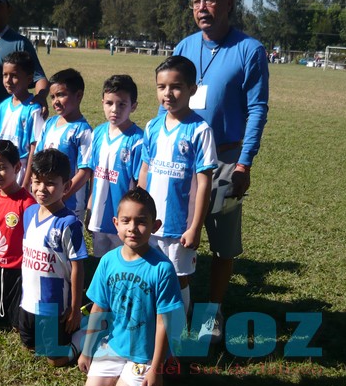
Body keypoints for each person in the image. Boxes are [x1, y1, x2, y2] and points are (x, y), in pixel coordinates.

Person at [170, 0, 269, 343]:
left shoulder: (249, 50)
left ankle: (212, 312)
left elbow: (257, 109)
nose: (202, 6)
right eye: (197, 0)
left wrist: (245, 162)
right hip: (185, 154)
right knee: (180, 231)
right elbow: (171, 98)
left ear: (229, 3)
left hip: (226, 157)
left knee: (222, 241)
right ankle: (177, 304)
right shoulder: (184, 46)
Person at [77, 188, 184, 386]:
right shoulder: (108, 261)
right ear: (116, 223)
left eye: (141, 221)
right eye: (126, 221)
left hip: (145, 353)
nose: (132, 228)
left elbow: (165, 321)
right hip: (116, 344)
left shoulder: (162, 269)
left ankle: (159, 374)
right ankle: (126, 375)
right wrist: (87, 350)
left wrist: (155, 368)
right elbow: (98, 308)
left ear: (155, 226)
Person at [139, 56, 218, 314]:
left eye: (176, 87)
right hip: (150, 222)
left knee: (178, 276)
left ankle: (178, 329)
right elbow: (145, 169)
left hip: (179, 224)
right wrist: (137, 211)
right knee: (148, 272)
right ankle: (151, 323)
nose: (168, 93)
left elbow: (204, 183)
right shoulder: (152, 126)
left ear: (192, 90)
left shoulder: (200, 130)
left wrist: (195, 227)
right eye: (161, 87)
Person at [19, 148, 88, 366]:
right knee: (29, 346)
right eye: (37, 181)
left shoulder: (68, 223)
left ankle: (85, 331)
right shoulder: (29, 213)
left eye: (50, 183)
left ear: (66, 186)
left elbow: (78, 267)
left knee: (54, 359)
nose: (41, 189)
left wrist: (74, 309)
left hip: (52, 304)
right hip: (28, 301)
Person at [0, 140, 37, 328]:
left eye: (2, 168)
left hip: (18, 271)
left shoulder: (27, 203)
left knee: (16, 323)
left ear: (17, 167)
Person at [87, 75, 144, 259]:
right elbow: (92, 173)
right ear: (102, 102)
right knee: (101, 260)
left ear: (133, 106)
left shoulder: (138, 140)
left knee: (123, 259)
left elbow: (139, 184)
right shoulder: (98, 133)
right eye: (109, 103)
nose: (114, 110)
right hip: (99, 214)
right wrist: (90, 205)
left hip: (124, 218)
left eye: (122, 104)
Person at [35, 68, 92, 221]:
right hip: (46, 198)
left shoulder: (83, 130)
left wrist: (61, 196)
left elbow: (84, 172)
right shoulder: (49, 123)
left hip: (70, 204)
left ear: (78, 95)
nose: (55, 101)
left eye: (61, 95)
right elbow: (37, 159)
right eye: (52, 97)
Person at [0, 51, 45, 189]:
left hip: (20, 171)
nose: (8, 80)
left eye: (14, 76)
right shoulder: (3, 106)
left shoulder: (34, 109)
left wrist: (26, 182)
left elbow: (34, 149)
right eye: (5, 75)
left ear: (29, 79)